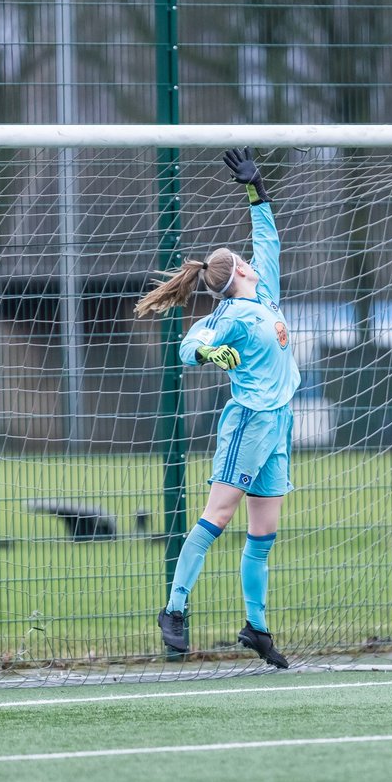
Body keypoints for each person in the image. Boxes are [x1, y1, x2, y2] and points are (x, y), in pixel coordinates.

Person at [134, 147, 300, 669]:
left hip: (279, 424)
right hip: (248, 423)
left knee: (264, 533)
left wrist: (257, 189)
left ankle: (256, 627)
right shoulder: (228, 314)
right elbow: (188, 346)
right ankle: (174, 609)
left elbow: (268, 236)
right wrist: (209, 351)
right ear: (239, 272)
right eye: (246, 258)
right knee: (218, 516)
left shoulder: (265, 293)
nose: (253, 258)